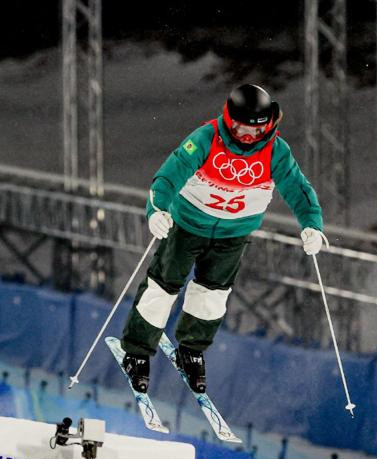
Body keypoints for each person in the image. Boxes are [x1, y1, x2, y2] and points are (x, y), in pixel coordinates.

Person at [119, 83, 327, 394]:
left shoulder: (276, 151)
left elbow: (298, 189)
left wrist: (312, 225)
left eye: (255, 131)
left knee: (213, 294)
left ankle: (192, 348)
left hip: (234, 234)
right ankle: (136, 352)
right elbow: (170, 174)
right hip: (188, 225)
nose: (246, 137)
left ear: (268, 125)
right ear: (228, 120)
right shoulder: (207, 138)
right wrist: (156, 210)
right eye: (240, 128)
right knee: (163, 285)